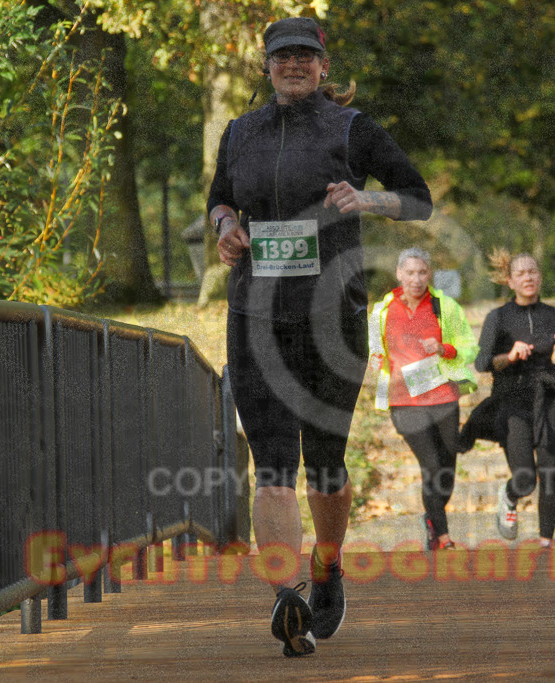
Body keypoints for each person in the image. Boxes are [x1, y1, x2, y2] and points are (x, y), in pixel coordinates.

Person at [209, 16, 432, 657]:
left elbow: (418, 198)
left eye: (305, 55)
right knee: (273, 465)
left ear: (324, 65)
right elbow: (220, 200)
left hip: (332, 319)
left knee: (326, 466)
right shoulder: (239, 133)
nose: (294, 64)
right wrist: (225, 227)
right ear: (266, 65)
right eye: (283, 56)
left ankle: (328, 566)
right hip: (255, 316)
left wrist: (368, 201)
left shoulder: (352, 128)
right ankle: (288, 595)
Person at [465, 251, 555, 548]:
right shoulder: (498, 318)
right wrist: (509, 356)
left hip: (548, 399)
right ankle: (509, 495)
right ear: (510, 281)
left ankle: (546, 543)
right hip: (512, 401)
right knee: (525, 480)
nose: (528, 278)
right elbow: (482, 363)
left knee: (550, 472)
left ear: (540, 277)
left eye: (532, 272)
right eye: (520, 274)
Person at [368, 248, 478, 551]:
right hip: (404, 401)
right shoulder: (382, 310)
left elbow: (469, 346)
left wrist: (445, 349)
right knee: (431, 465)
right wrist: (377, 361)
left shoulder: (445, 306)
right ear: (399, 274)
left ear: (429, 274)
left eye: (422, 272)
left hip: (443, 396)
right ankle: (443, 537)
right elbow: (375, 349)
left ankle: (432, 518)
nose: (416, 279)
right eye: (410, 272)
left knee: (447, 470)